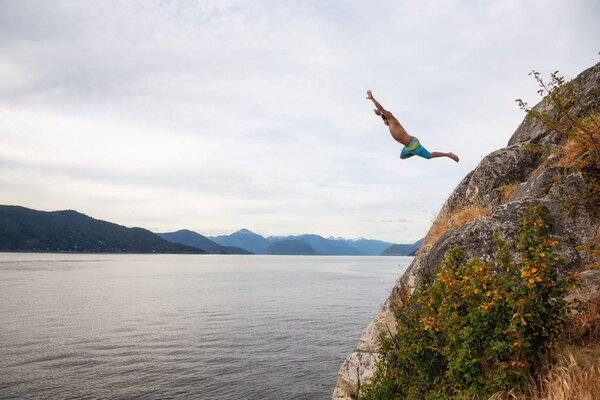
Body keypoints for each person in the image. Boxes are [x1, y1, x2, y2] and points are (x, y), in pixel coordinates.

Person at [366, 90, 459, 162]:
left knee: (429, 156)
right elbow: (382, 114)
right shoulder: (390, 124)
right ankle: (415, 152)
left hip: (412, 143)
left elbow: (381, 108)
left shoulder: (392, 120)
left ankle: (448, 154)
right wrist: (379, 115)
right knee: (402, 156)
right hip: (408, 147)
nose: (384, 123)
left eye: (384, 120)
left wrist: (372, 98)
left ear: (387, 118)